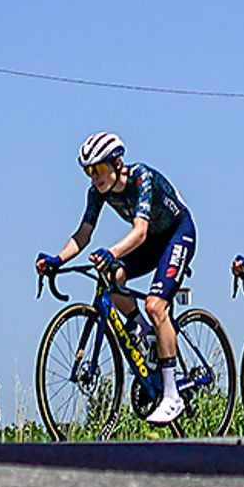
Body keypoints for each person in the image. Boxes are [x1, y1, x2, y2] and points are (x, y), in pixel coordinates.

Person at [42, 132, 202, 424]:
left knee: (156, 305)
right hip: (151, 242)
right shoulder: (97, 193)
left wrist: (112, 250)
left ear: (117, 163)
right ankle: (141, 330)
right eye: (89, 171)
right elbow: (83, 234)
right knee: (109, 277)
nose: (95, 177)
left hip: (178, 234)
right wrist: (58, 259)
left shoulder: (142, 178)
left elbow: (140, 230)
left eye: (100, 169)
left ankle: (172, 396)